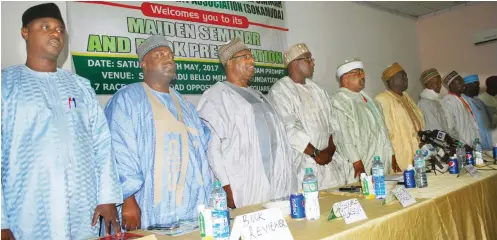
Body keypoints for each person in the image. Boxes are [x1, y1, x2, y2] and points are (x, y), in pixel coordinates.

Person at [1, 3, 122, 239]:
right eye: (45, 26)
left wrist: (107, 197)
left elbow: (101, 143)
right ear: (25, 32)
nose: (55, 33)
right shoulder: (6, 85)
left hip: (83, 209)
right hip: (28, 213)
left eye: (59, 29)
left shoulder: (80, 86)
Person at [104, 35, 213, 230]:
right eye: (160, 54)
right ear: (144, 64)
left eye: (171, 55)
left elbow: (202, 151)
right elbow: (117, 152)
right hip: (147, 208)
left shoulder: (185, 104)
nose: (169, 58)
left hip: (189, 210)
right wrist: (128, 200)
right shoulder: (128, 99)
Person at [197, 37, 295, 209]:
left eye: (251, 56)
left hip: (275, 183)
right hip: (243, 185)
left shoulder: (259, 94)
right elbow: (212, 148)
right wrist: (225, 187)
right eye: (245, 56)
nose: (252, 61)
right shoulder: (216, 96)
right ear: (229, 63)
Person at [268, 43, 347, 188]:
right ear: (294, 63)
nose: (313, 63)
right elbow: (290, 130)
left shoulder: (318, 90)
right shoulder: (280, 91)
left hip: (328, 163)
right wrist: (316, 154)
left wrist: (329, 151)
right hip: (303, 166)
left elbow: (333, 124)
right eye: (308, 59)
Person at [331, 60, 401, 182]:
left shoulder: (371, 102)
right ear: (346, 78)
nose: (363, 76)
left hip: (378, 161)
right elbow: (342, 135)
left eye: (363, 73)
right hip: (357, 164)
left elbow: (383, 130)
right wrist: (356, 161)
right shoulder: (339, 101)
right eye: (358, 73)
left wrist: (391, 154)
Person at [375, 63, 424, 170]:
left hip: (418, 150)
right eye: (402, 76)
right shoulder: (383, 99)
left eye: (406, 76)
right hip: (400, 152)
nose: (406, 79)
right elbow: (387, 133)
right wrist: (393, 157)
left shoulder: (406, 96)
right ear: (390, 80)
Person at [441, 71, 479, 146]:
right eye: (460, 83)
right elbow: (450, 127)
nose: (464, 84)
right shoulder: (448, 101)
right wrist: (460, 143)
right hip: (461, 144)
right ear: (451, 85)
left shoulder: (462, 99)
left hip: (472, 141)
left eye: (463, 82)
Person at [462, 74, 493, 149]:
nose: (478, 88)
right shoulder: (463, 101)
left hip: (486, 137)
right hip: (474, 139)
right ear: (467, 86)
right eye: (476, 85)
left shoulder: (479, 101)